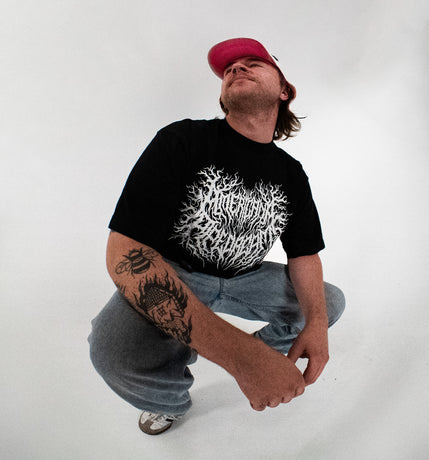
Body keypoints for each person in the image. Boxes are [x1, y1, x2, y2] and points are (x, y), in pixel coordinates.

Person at [88, 38, 345, 435]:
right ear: (224, 97)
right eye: (228, 69)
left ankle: (256, 351)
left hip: (245, 279)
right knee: (113, 353)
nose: (236, 69)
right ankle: (171, 402)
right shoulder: (182, 140)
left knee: (329, 303)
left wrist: (315, 324)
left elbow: (304, 255)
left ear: (284, 90)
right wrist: (241, 358)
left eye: (253, 63)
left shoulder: (291, 174)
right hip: (176, 272)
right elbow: (125, 251)